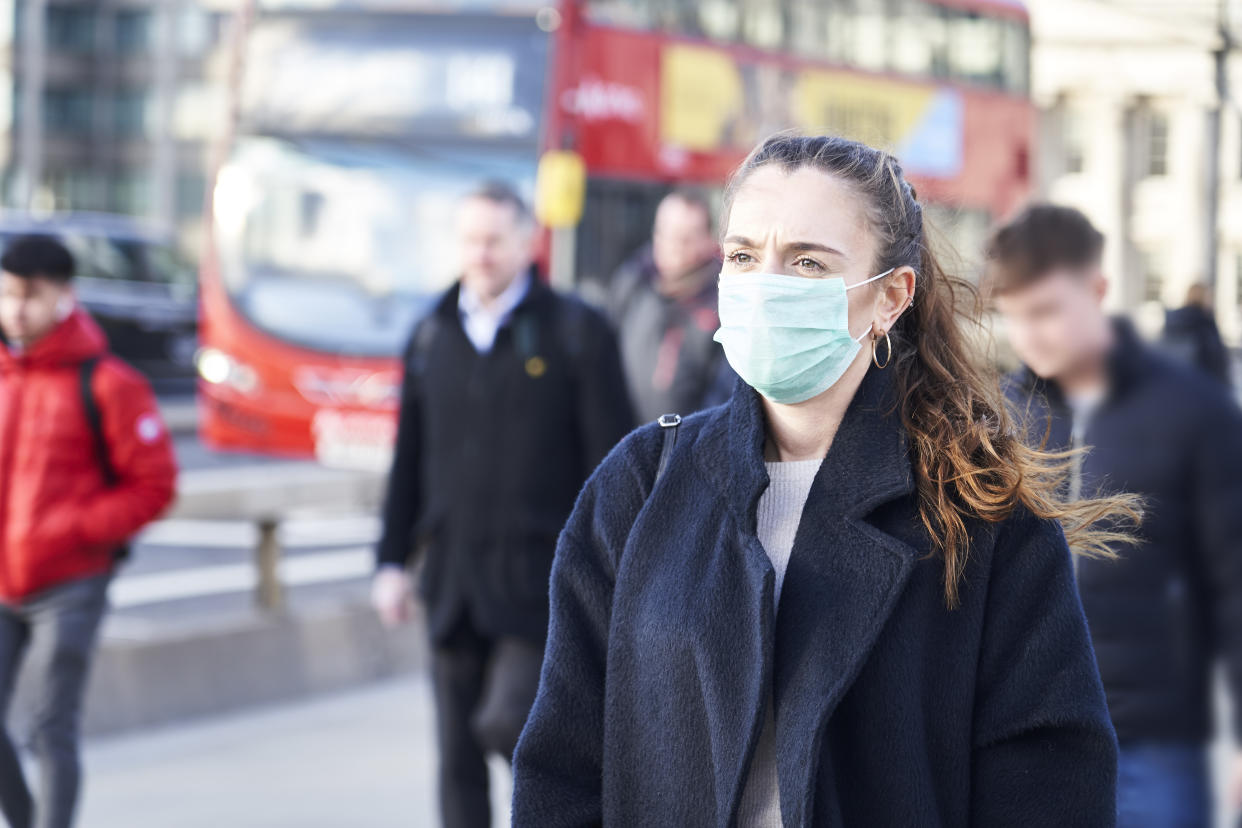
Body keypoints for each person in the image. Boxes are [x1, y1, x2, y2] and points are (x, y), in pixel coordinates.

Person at [512, 134, 1134, 826]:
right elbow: (562, 766)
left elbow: (1049, 784)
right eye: (744, 256)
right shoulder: (639, 484)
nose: (765, 286)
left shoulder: (981, 514)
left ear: (890, 298)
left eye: (806, 263)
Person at [371, 181, 633, 828]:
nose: (480, 254)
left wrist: (615, 569)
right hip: (452, 580)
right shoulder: (432, 334)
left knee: (513, 724)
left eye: (493, 240)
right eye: (469, 240)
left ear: (526, 242)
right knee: (456, 759)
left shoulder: (576, 331)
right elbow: (408, 457)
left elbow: (616, 461)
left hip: (542, 584)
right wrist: (391, 561)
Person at [989, 205, 1242, 828]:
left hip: (1149, 741)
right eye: (1013, 315)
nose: (1028, 335)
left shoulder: (1190, 410)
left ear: (1097, 291)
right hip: (1024, 735)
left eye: (1046, 311)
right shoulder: (995, 420)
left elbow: (1235, 581)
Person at [0, 235, 177, 828]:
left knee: (51, 726)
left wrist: (76, 529)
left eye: (29, 296)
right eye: (5, 296)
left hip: (72, 581)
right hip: (4, 579)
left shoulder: (109, 383)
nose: (16, 310)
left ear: (64, 296)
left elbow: (153, 486)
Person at [607, 188, 733, 422]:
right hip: (626, 440)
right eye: (666, 233)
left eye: (686, 238)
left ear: (708, 240)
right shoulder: (633, 282)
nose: (673, 246)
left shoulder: (722, 301)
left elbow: (723, 395)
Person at [1160, 281, 1232, 387]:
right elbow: (1218, 367)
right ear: (1205, 299)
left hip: (1174, 391)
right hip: (1202, 392)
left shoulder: (1172, 325)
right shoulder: (1206, 327)